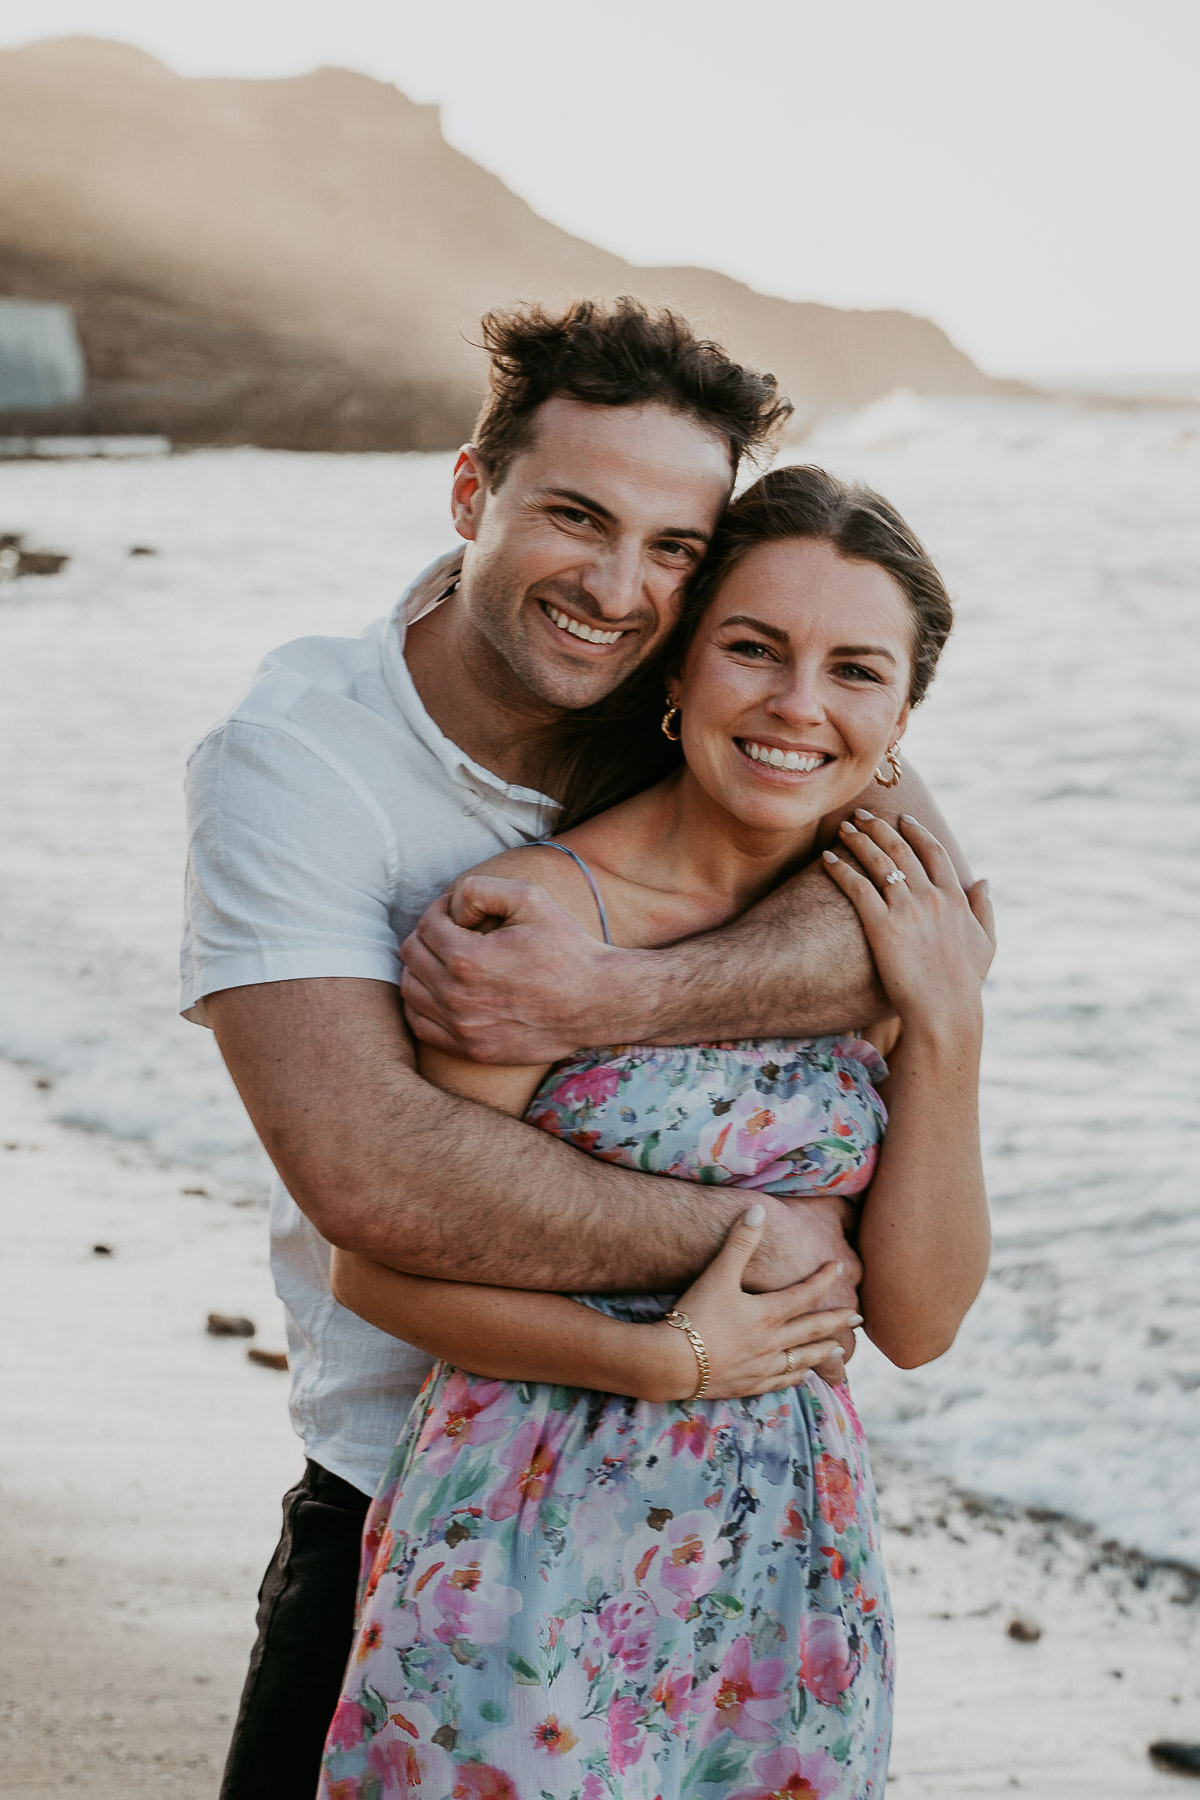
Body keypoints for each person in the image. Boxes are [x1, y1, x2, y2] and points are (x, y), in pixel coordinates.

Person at [181, 299, 974, 1799]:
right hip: (427, 1490)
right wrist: (745, 1267)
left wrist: (602, 1001)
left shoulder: (726, 697)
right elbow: (376, 1181)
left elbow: (941, 922)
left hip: (764, 1550)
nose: (618, 590)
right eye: (576, 518)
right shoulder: (299, 762)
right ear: (473, 493)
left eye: (676, 546)